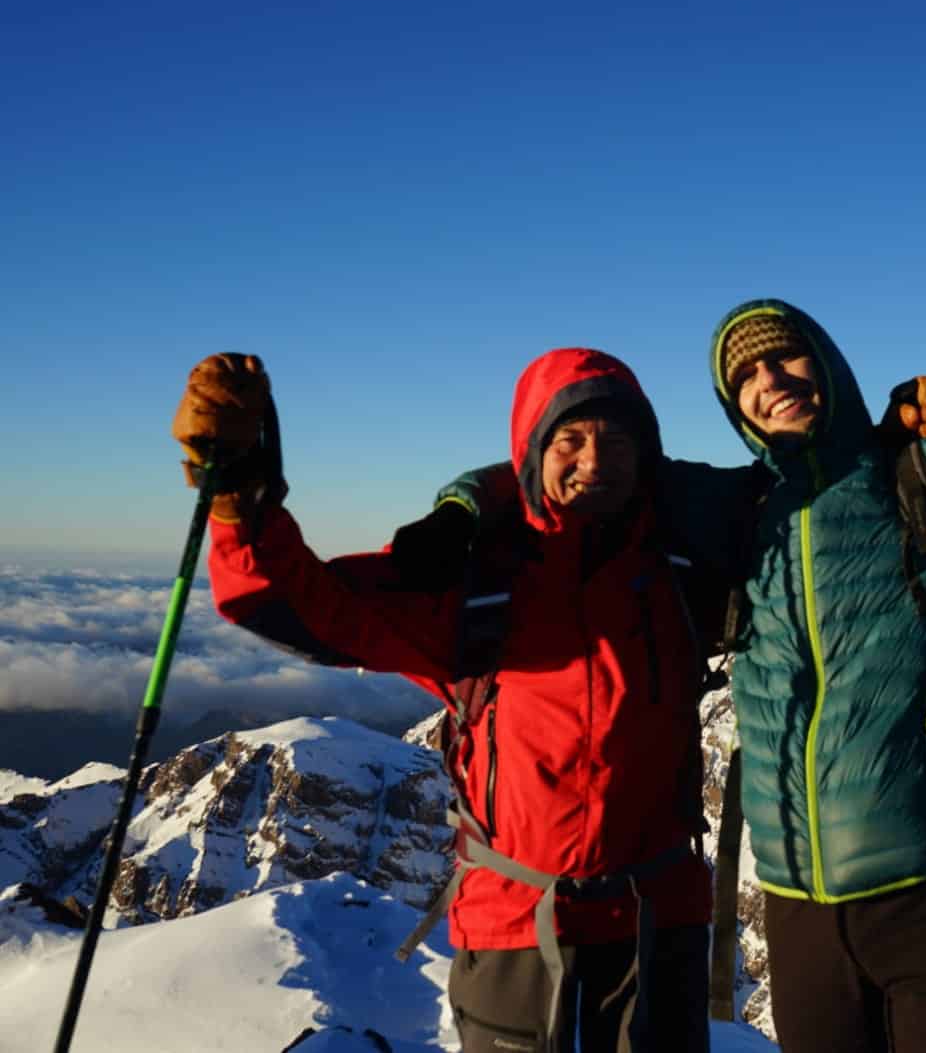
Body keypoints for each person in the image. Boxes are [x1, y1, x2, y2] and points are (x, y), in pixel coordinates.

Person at [400, 0, 926, 1051]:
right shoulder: (738, 507)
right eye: (747, 376)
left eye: (786, 356)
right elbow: (582, 462)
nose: (772, 380)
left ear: (824, 361)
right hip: (797, 906)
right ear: (734, 409)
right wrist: (466, 503)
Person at [170, 349, 714, 1053]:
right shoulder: (474, 584)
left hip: (657, 927)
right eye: (569, 439)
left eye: (616, 439)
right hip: (520, 925)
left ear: (647, 455)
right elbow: (304, 604)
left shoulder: (686, 573)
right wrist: (240, 497)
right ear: (532, 451)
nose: (593, 459)